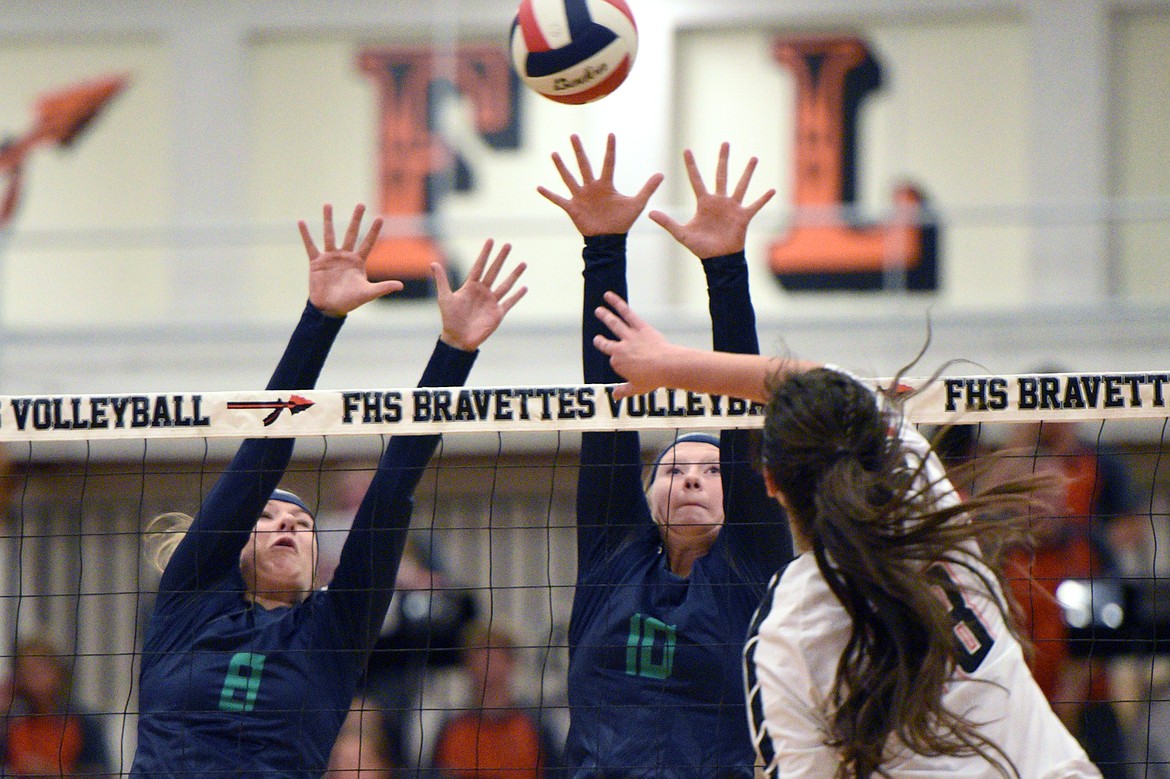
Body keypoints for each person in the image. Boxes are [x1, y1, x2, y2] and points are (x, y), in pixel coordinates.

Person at [590, 295, 1101, 778]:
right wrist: (667, 362)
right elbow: (831, 387)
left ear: (770, 483)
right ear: (875, 446)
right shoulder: (921, 499)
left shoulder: (787, 627)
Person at [130, 204, 527, 779]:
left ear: (321, 560)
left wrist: (454, 351)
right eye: (266, 517)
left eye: (303, 524)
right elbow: (260, 452)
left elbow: (390, 495)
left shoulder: (331, 629)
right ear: (236, 543)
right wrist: (320, 318)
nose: (288, 524)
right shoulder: (189, 602)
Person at [538, 135, 793, 777]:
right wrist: (603, 247)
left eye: (711, 471)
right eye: (675, 470)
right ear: (649, 497)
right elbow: (607, 406)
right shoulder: (612, 556)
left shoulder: (753, 562)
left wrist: (725, 266)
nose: (693, 479)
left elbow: (745, 419)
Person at [429, 621, 564, 779]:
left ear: (511, 664)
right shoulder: (453, 729)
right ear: (467, 666)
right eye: (479, 659)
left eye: (494, 659)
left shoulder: (534, 726)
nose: (486, 667)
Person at [2, 635, 113, 778]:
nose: (33, 676)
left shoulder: (82, 722)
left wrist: (53, 773)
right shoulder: (12, 723)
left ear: (57, 672)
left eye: (39, 667)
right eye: (26, 670)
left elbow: (103, 773)